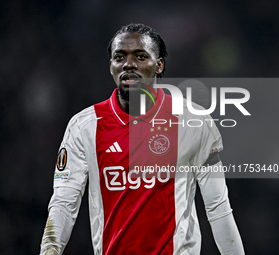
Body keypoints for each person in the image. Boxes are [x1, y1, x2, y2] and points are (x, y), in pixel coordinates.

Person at [39, 23, 245, 255]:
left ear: (159, 65)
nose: (129, 64)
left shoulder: (194, 122)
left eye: (140, 56)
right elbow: (64, 205)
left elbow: (218, 207)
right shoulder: (84, 127)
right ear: (111, 67)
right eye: (120, 57)